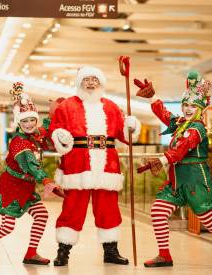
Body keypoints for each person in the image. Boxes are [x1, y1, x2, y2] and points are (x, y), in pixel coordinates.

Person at [134, 71, 212, 268]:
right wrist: (152, 97)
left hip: (197, 182)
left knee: (210, 222)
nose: (188, 108)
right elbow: (165, 114)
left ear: (201, 108)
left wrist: (161, 159)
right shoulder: (181, 124)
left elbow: (180, 150)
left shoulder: (197, 129)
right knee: (158, 211)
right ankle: (164, 255)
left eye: (193, 105)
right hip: (177, 182)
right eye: (185, 105)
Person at [48, 66, 141, 266]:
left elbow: (124, 136)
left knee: (108, 208)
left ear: (100, 83)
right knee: (72, 208)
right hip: (77, 164)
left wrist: (131, 126)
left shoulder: (111, 107)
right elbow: (55, 130)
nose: (90, 83)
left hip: (107, 165)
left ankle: (111, 251)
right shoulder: (67, 106)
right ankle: (63, 251)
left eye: (94, 79)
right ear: (80, 82)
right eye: (86, 79)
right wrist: (59, 136)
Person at [0, 82, 64, 266]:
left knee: (41, 215)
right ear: (18, 122)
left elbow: (46, 129)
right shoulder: (19, 143)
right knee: (7, 227)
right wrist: (47, 181)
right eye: (25, 121)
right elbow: (32, 167)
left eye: (32, 120)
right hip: (12, 187)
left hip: (26, 187)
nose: (29, 124)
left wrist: (55, 111)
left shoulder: (34, 134)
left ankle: (31, 253)